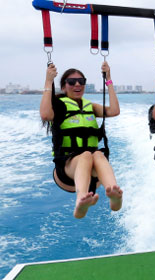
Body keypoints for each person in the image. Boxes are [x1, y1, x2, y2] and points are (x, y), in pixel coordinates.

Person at [40, 62, 123, 219]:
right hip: (66, 170)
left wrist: (109, 80)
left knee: (98, 155)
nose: (77, 84)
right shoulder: (58, 106)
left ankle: (113, 193)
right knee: (86, 155)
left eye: (81, 81)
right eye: (72, 82)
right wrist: (48, 81)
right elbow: (45, 115)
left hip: (93, 171)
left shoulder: (90, 106)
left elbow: (114, 111)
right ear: (64, 87)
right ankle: (81, 200)